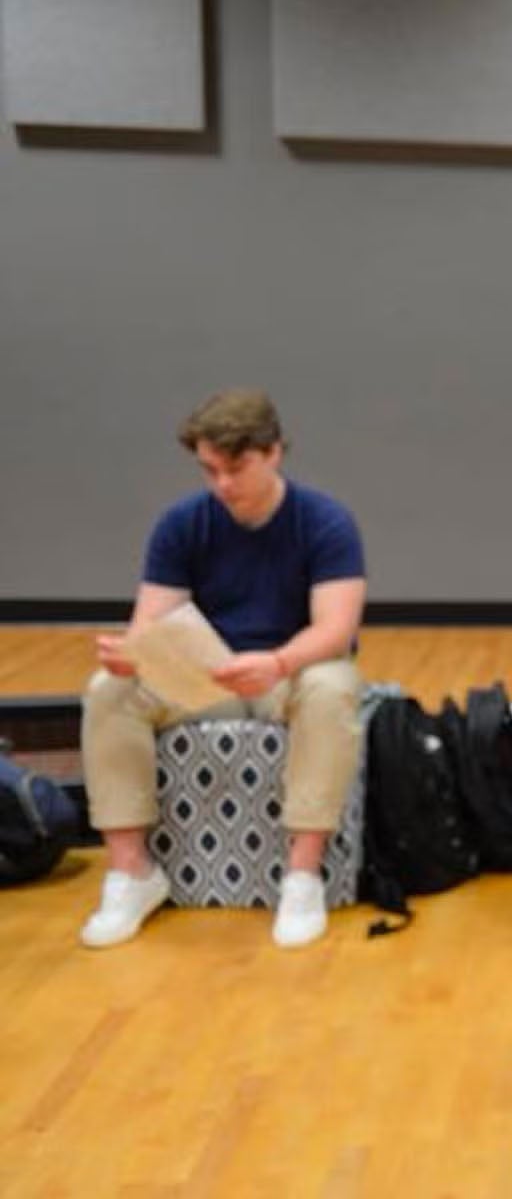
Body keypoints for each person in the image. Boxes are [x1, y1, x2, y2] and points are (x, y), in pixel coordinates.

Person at [81, 389, 366, 949]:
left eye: (236, 469)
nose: (223, 484)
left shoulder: (325, 522)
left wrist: (278, 662)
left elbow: (335, 629)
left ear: (274, 452)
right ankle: (132, 873)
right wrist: (130, 654)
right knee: (108, 690)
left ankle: (303, 876)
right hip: (209, 680)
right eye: (210, 470)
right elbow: (150, 622)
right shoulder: (182, 523)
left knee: (332, 687)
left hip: (286, 673)